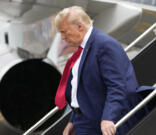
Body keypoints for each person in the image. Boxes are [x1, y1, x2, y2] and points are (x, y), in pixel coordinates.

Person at [54, 6, 149, 135]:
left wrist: (108, 118)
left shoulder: (104, 45)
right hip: (83, 121)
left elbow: (117, 86)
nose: (63, 37)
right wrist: (73, 120)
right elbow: (81, 90)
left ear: (80, 27)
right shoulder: (82, 50)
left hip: (99, 123)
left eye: (64, 32)